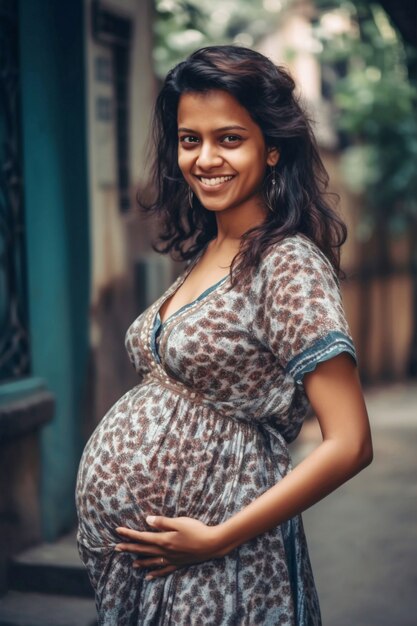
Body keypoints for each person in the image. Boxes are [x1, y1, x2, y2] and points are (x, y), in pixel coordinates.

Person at [76, 45, 373, 625]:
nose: (205, 158)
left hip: (224, 558)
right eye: (191, 140)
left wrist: (217, 538)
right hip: (163, 567)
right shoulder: (210, 250)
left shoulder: (286, 262)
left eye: (229, 139)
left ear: (272, 148)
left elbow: (351, 442)